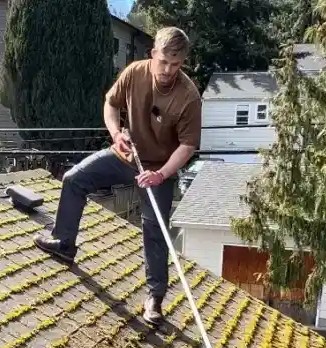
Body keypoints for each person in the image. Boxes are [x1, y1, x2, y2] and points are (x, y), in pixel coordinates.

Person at [33, 26, 202, 326]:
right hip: (127, 156)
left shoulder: (188, 97)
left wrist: (161, 175)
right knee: (74, 179)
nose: (168, 70)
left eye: (176, 65)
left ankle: (155, 298)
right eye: (164, 62)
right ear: (153, 55)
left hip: (160, 169)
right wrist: (115, 134)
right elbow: (111, 104)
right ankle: (64, 243)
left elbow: (188, 146)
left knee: (154, 228)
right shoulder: (134, 73)